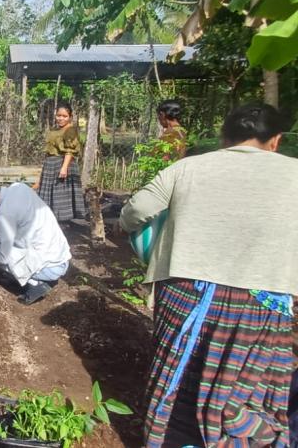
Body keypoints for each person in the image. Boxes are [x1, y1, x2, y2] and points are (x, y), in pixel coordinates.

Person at [119, 103, 297, 447]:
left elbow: (136, 211)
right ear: (275, 140)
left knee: (179, 376)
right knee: (244, 390)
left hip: (188, 293)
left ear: (223, 138)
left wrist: (136, 230)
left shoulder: (188, 168)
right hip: (260, 303)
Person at [0, 180, 71, 305]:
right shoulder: (18, 187)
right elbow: (5, 229)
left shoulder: (6, 213)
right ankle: (35, 277)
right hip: (60, 256)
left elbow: (3, 258)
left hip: (50, 268)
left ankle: (36, 283)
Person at [33, 102, 87, 222]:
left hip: (61, 163)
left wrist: (64, 167)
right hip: (50, 164)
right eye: (59, 115)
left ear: (70, 117)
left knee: (60, 195)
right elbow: (49, 150)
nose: (61, 118)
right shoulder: (54, 130)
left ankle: (62, 222)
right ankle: (49, 220)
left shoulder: (70, 130)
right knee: (49, 195)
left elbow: (70, 151)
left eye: (64, 116)